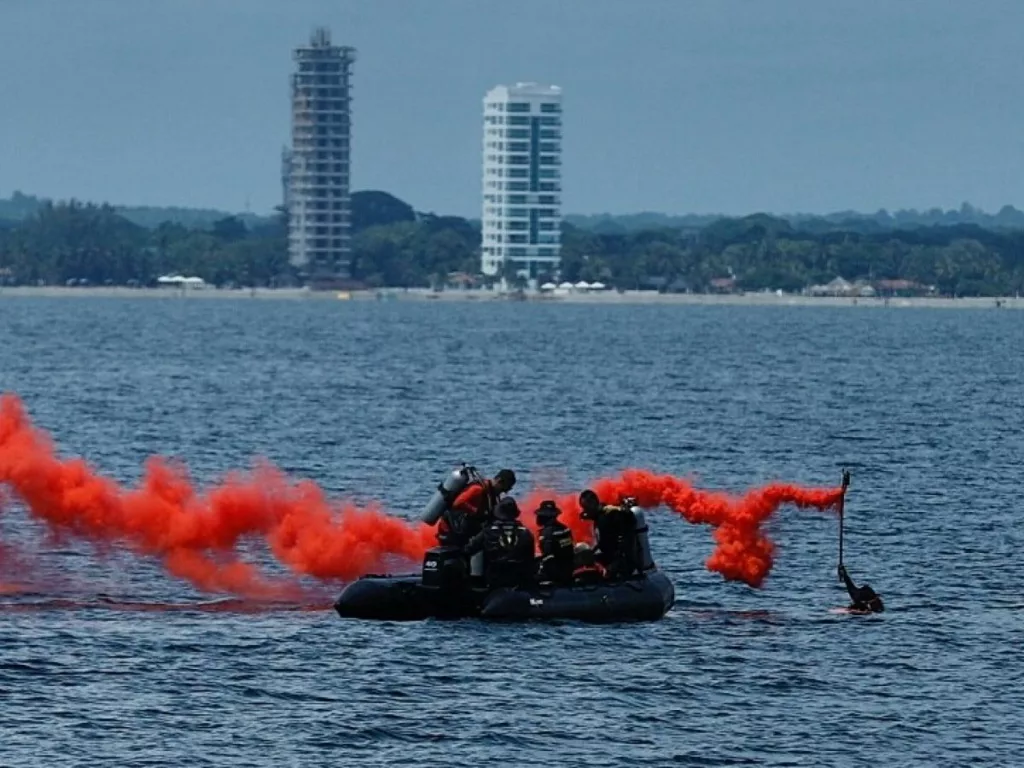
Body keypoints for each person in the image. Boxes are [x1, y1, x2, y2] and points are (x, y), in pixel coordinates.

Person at [464, 497, 535, 589]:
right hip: (519, 581)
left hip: (494, 581)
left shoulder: (488, 531)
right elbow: (530, 559)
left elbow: (468, 549)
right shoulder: (526, 533)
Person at [436, 468, 516, 547]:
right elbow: (458, 503)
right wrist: (476, 511)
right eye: (505, 488)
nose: (505, 492)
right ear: (499, 481)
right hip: (454, 530)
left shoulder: (491, 493)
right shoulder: (478, 489)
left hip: (464, 528)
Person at [578, 489, 639, 579]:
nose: (585, 511)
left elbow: (623, 546)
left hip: (621, 561)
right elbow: (603, 543)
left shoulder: (609, 515)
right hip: (608, 556)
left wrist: (611, 569)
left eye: (586, 507)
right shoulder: (598, 517)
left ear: (594, 503)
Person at [535, 500, 575, 586]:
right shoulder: (565, 529)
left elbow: (548, 557)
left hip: (557, 574)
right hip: (569, 568)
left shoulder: (546, 534)